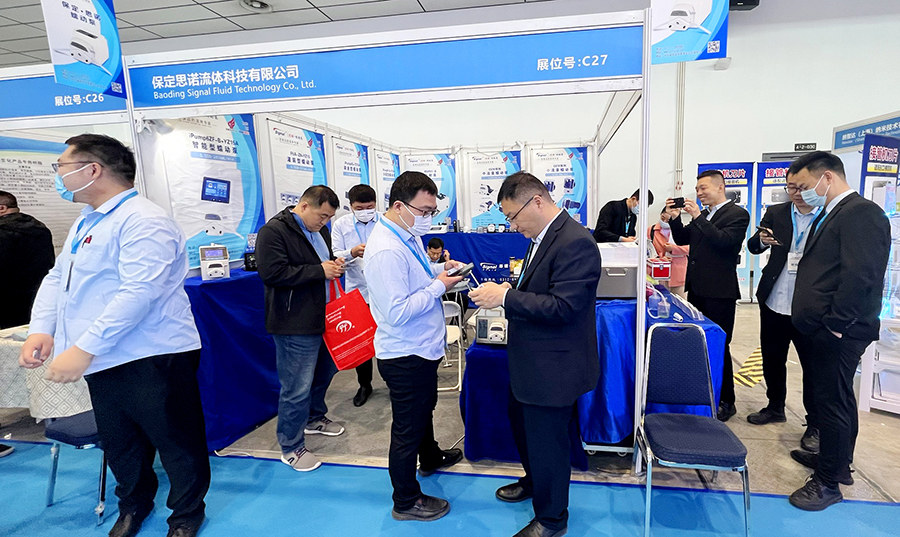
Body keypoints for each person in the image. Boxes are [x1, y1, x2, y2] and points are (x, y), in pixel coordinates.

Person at [19, 134, 209, 537]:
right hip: (103, 356)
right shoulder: (87, 220)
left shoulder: (144, 221)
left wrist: (84, 348)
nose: (58, 175)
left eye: (61, 167)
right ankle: (134, 504)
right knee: (121, 441)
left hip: (152, 354)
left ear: (92, 170)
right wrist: (42, 329)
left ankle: (187, 512)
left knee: (176, 439)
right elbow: (58, 278)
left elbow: (138, 293)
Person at [470, 171, 602, 537]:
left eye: (513, 216)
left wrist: (506, 297)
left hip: (554, 367)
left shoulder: (575, 242)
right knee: (526, 432)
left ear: (537, 201)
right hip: (531, 361)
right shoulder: (541, 237)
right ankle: (534, 481)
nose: (512, 226)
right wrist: (509, 290)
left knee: (548, 444)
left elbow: (564, 307)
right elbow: (540, 288)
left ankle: (552, 519)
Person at [786, 152, 890, 511]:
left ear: (826, 177)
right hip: (825, 328)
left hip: (840, 331)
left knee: (833, 404)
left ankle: (828, 483)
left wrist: (835, 326)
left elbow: (861, 276)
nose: (801, 192)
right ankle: (836, 462)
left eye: (804, 185)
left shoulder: (861, 213)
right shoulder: (832, 213)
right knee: (835, 398)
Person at [364, 171, 464, 522]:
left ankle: (431, 456)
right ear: (398, 206)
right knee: (407, 428)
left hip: (421, 347)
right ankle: (405, 499)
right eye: (424, 211)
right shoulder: (385, 250)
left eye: (432, 211)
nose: (428, 218)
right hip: (404, 352)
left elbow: (414, 279)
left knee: (424, 410)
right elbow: (397, 312)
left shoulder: (405, 235)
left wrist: (440, 270)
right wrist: (439, 286)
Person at [256, 185, 346, 472]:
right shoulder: (273, 231)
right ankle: (291, 446)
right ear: (304, 206)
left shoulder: (321, 231)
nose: (325, 222)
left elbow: (321, 263)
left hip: (325, 315)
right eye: (322, 216)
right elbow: (272, 273)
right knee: (296, 387)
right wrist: (320, 270)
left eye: (329, 218)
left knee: (324, 373)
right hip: (294, 321)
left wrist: (333, 265)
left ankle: (314, 418)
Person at [664, 170, 749, 422]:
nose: (699, 193)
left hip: (719, 292)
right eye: (697, 189)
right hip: (698, 289)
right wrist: (675, 218)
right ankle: (703, 392)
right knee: (699, 341)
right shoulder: (706, 215)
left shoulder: (736, 214)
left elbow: (724, 242)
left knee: (720, 344)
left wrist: (698, 217)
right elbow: (684, 237)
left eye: (704, 188)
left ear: (720, 187)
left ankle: (726, 400)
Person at [746, 182, 820, 444]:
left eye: (802, 188)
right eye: (791, 188)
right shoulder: (777, 212)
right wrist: (761, 241)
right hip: (775, 298)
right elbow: (753, 246)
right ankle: (775, 406)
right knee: (772, 358)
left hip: (809, 306)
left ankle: (816, 423)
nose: (796, 193)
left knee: (813, 367)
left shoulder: (828, 214)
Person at [331, 184, 379, 407]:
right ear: (350, 206)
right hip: (357, 291)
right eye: (359, 208)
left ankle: (393, 381)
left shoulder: (384, 221)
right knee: (361, 341)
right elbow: (335, 254)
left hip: (384, 288)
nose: (365, 212)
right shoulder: (341, 225)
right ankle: (365, 384)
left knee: (388, 335)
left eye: (369, 207)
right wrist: (351, 252)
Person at [0, 190, 55, 329]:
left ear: (2, 208)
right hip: (37, 297)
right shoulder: (39, 227)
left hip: (6, 302)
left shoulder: (3, 232)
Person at [648, 207, 689, 297]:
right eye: (663, 218)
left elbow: (691, 248)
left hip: (678, 272)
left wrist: (673, 249)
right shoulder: (652, 230)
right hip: (659, 272)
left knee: (680, 301)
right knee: (659, 299)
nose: (665, 222)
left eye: (668, 220)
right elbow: (647, 249)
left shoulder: (682, 230)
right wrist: (659, 258)